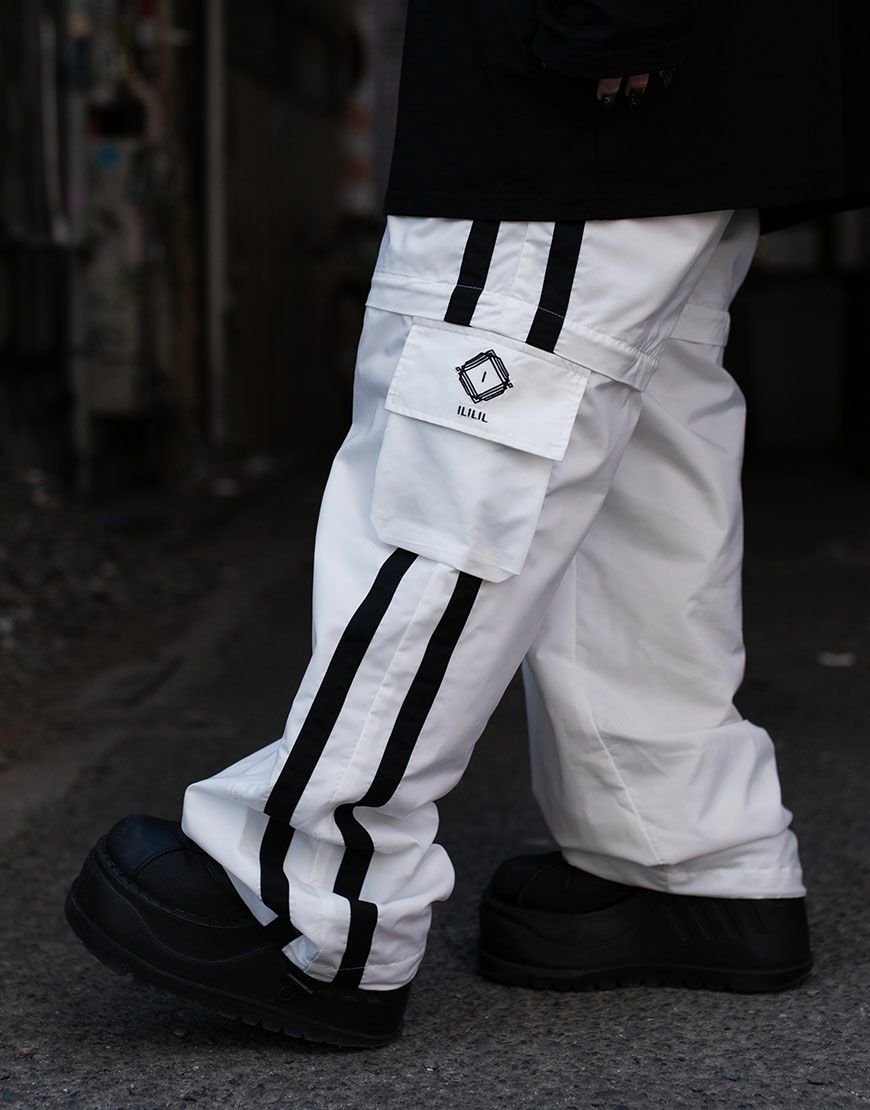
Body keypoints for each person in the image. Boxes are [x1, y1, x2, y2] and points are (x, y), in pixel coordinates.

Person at [65, 0, 869, 1049]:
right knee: (630, 456)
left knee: (474, 446)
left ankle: (312, 894)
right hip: (696, 72)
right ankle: (683, 849)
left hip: (574, 65)